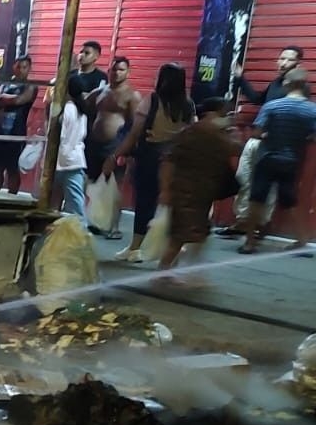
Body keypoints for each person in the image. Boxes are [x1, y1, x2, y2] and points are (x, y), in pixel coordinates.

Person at [107, 62, 195, 263]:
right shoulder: (188, 104)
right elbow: (190, 132)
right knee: (169, 203)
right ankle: (168, 250)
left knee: (145, 202)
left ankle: (136, 248)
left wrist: (115, 156)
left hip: (151, 157)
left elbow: (134, 134)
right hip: (176, 159)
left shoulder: (153, 100)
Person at [225, 46, 303, 235]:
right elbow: (258, 99)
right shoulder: (276, 83)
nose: (283, 63)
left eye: (289, 60)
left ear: (298, 64)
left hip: (272, 146)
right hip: (255, 140)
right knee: (244, 179)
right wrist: (241, 78)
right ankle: (242, 221)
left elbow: (295, 119)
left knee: (266, 189)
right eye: (281, 58)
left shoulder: (298, 90)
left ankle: (260, 225)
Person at [159, 97, 238, 283]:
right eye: (223, 114)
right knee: (181, 236)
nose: (226, 117)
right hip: (189, 192)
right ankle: (164, 272)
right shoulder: (205, 132)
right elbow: (235, 149)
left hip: (196, 192)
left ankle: (175, 271)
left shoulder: (198, 131)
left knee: (191, 234)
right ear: (211, 113)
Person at [240, 67, 316, 255]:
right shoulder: (312, 110)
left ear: (287, 84)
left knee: (256, 199)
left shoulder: (272, 106)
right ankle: (301, 240)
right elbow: (313, 136)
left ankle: (250, 242)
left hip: (267, 158)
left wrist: (267, 135)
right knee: (290, 201)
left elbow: (257, 132)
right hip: (291, 161)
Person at [87, 55, 140, 239]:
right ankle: (98, 221)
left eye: (121, 69)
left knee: (115, 185)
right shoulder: (100, 92)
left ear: (128, 72)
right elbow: (86, 108)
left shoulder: (131, 96)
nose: (117, 73)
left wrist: (127, 150)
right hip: (95, 144)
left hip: (116, 144)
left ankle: (114, 226)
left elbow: (134, 125)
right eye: (114, 69)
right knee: (95, 183)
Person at [0, 55, 38, 193]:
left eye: (24, 67)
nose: (21, 70)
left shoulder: (31, 86)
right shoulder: (4, 84)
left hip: (16, 134)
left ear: (29, 68)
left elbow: (20, 100)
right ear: (14, 66)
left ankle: (12, 196)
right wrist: (3, 99)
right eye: (18, 66)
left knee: (12, 167)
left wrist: (3, 99)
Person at [52, 94, 88, 220]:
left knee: (62, 201)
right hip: (74, 159)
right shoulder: (80, 109)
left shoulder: (67, 109)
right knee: (75, 201)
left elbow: (59, 136)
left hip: (63, 159)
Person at [67, 40, 108, 120]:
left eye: (87, 53)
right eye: (81, 52)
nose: (82, 55)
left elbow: (99, 100)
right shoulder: (70, 75)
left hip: (89, 120)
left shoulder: (101, 77)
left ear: (96, 56)